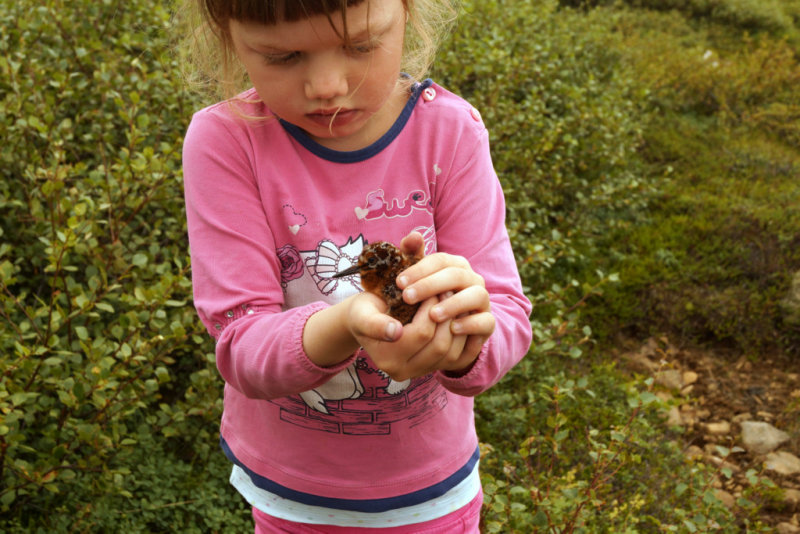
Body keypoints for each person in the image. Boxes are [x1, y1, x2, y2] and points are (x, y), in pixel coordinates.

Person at [180, 0, 533, 531]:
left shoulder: (451, 133)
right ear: (228, 38)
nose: (326, 85)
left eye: (361, 46)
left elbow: (506, 313)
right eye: (282, 56)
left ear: (410, 14)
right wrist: (344, 324)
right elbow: (241, 344)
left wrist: (466, 342)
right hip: (293, 497)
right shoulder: (226, 141)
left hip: (432, 494)